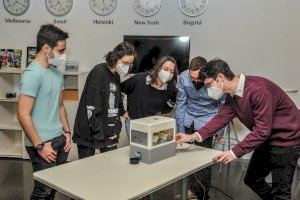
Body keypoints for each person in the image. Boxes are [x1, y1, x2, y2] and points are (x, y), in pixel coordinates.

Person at [176, 59, 300, 200]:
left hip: (286, 140)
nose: (209, 90)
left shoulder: (258, 90)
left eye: (209, 84)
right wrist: (192, 136)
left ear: (220, 77)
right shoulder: (233, 95)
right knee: (252, 179)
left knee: (281, 193)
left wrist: (233, 153)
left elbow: (262, 130)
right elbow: (220, 118)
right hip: (267, 139)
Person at [18, 24, 71, 200]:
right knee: (43, 191)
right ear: (46, 48)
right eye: (60, 51)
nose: (63, 55)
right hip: (42, 142)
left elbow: (60, 106)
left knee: (53, 188)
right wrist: (39, 146)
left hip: (59, 138)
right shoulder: (32, 74)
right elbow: (22, 114)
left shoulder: (56, 73)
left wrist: (68, 133)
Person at [72, 42, 136, 159]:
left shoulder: (116, 75)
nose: (127, 67)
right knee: (87, 170)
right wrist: (99, 136)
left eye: (130, 64)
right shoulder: (99, 71)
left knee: (108, 169)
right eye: (125, 63)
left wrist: (116, 128)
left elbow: (116, 104)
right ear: (115, 58)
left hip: (108, 133)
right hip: (89, 133)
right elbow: (92, 106)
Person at [176, 57, 224, 200]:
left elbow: (222, 105)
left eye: (198, 78)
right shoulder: (184, 78)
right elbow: (180, 104)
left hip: (207, 121)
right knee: (186, 158)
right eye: (192, 77)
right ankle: (189, 190)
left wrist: (219, 130)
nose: (195, 81)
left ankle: (202, 193)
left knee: (203, 160)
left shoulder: (214, 79)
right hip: (188, 119)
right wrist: (180, 128)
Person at [121, 55, 178, 141]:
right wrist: (121, 110)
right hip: (134, 123)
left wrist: (161, 111)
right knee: (138, 151)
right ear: (158, 68)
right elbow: (119, 90)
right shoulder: (140, 79)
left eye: (172, 71)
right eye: (165, 69)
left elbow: (170, 105)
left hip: (152, 124)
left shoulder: (170, 88)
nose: (168, 73)